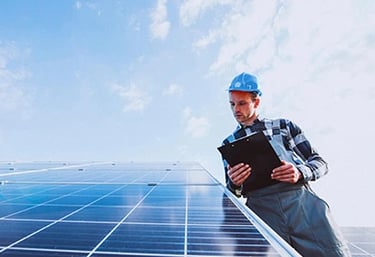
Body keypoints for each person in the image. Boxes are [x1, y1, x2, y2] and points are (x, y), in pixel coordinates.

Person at [221, 72, 351, 257]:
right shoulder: (229, 144)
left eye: (242, 103)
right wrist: (235, 183)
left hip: (302, 208)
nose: (236, 110)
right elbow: (233, 195)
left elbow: (320, 162)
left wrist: (299, 172)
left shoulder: (283, 127)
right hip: (262, 214)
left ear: (256, 102)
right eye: (232, 104)